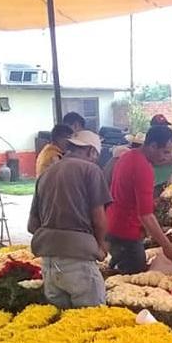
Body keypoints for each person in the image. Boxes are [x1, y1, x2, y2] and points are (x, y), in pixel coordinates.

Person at [28, 130, 111, 308]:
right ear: (91, 151)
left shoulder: (45, 174)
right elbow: (99, 218)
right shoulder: (90, 170)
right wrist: (102, 247)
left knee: (63, 325)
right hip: (78, 261)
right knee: (92, 322)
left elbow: (32, 225)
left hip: (49, 263)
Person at [107, 125, 172, 274]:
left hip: (113, 227)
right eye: (165, 152)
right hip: (127, 232)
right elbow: (145, 215)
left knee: (118, 277)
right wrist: (167, 246)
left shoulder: (127, 156)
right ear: (152, 146)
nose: (167, 157)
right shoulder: (143, 168)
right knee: (132, 279)